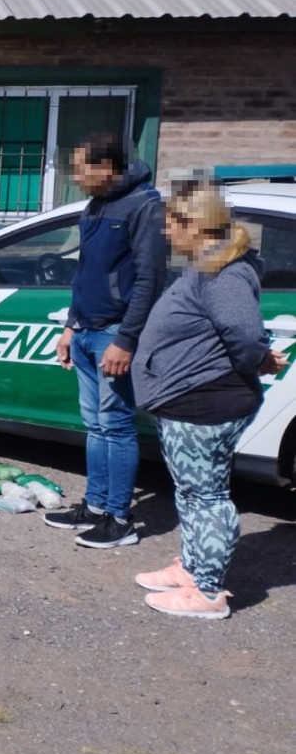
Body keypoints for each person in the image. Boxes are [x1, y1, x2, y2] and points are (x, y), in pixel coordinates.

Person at [130, 181, 287, 619]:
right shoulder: (207, 265)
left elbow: (244, 333)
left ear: (193, 224)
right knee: (191, 491)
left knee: (207, 496)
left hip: (205, 401)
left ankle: (208, 591)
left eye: (170, 224)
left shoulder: (225, 272)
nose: (165, 232)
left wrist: (257, 358)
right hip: (189, 399)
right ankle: (193, 567)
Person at [46, 133, 166, 549]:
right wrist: (71, 325)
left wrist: (127, 340)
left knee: (116, 425)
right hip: (85, 331)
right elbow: (85, 273)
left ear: (108, 167)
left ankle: (120, 519)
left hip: (115, 334)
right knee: (95, 425)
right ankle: (95, 507)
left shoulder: (144, 205)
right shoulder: (96, 205)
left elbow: (150, 279)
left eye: (81, 168)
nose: (75, 176)